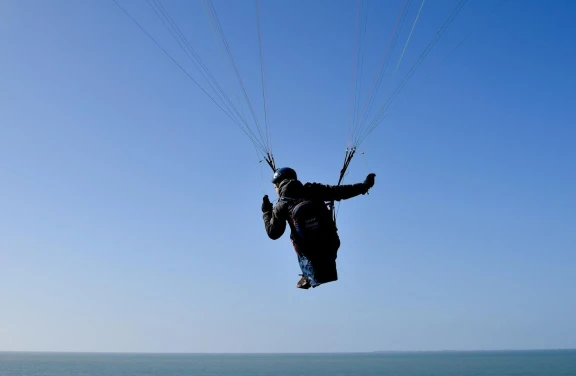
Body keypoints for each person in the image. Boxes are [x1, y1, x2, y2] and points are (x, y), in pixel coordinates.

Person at [261, 167, 376, 289]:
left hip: (309, 253)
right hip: (330, 246)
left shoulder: (281, 205)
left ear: (278, 185)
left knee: (297, 238)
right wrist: (364, 186)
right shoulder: (312, 189)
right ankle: (312, 272)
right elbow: (340, 192)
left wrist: (266, 211)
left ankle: (308, 273)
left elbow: (273, 233)